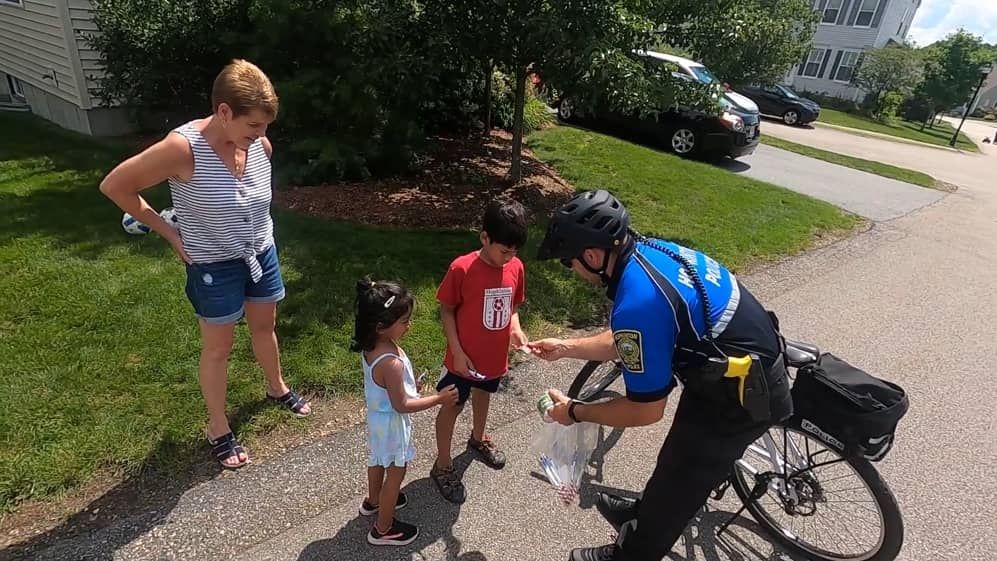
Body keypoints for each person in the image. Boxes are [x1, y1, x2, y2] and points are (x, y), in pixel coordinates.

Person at [528, 189, 794, 561]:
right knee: (673, 457)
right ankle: (642, 512)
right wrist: (567, 347)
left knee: (679, 482)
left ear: (591, 255)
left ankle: (634, 551)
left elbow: (645, 411)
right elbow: (632, 338)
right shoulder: (651, 252)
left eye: (567, 262)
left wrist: (574, 412)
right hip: (740, 364)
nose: (569, 270)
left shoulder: (637, 301)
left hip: (740, 396)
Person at [99, 59, 310, 470]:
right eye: (253, 126)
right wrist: (170, 233)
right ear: (224, 112)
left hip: (259, 252)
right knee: (219, 349)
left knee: (265, 327)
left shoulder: (258, 146)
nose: (262, 136)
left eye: (265, 126)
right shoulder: (182, 149)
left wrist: (254, 142)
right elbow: (116, 186)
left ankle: (276, 387)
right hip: (213, 263)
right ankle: (217, 426)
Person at [430, 200, 530, 503]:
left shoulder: (516, 266)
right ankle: (443, 464)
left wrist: (515, 328)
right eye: (503, 251)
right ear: (484, 238)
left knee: (484, 394)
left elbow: (512, 306)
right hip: (463, 359)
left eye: (514, 252)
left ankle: (477, 438)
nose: (509, 258)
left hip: (493, 358)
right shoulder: (462, 268)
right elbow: (446, 312)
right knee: (452, 405)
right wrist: (457, 352)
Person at [351, 277, 460, 546]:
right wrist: (437, 399)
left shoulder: (372, 348)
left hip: (377, 421)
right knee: (396, 473)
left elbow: (390, 391)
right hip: (392, 424)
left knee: (377, 460)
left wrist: (412, 387)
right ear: (381, 326)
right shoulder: (391, 363)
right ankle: (383, 529)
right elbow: (401, 405)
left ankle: (373, 501)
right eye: (404, 321)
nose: (409, 325)